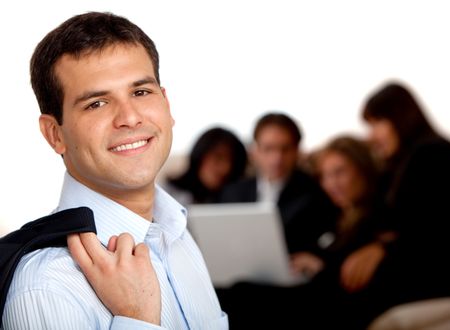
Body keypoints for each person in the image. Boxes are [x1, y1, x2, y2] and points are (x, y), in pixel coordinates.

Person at [1, 12, 227, 329]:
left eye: (140, 92)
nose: (130, 117)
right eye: (97, 103)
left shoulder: (177, 235)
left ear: (167, 105)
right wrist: (136, 319)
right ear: (55, 134)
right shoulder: (47, 286)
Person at [344, 81, 450, 328]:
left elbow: (430, 229)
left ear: (401, 118)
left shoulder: (430, 154)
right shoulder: (403, 162)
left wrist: (384, 247)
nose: (371, 136)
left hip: (428, 274)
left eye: (377, 123)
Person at [220, 112, 337, 254]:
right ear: (255, 151)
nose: (277, 159)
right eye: (268, 149)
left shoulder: (316, 192)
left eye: (285, 149)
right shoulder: (233, 193)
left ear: (297, 151)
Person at [162, 126, 248, 205]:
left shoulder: (242, 198)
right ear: (200, 155)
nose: (225, 169)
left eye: (233, 162)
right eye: (218, 157)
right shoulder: (165, 195)